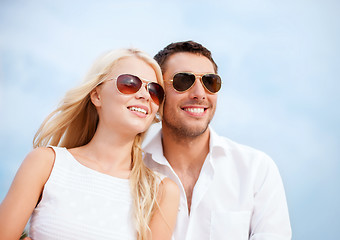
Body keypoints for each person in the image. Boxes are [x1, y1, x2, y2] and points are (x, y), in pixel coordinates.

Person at [0, 48, 180, 240]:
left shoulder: (161, 191)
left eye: (154, 91)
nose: (144, 95)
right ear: (97, 95)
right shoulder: (45, 163)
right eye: (129, 83)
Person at [142, 40, 292, 239]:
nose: (199, 94)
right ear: (157, 93)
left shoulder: (257, 170)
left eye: (210, 82)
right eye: (183, 81)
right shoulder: (131, 167)